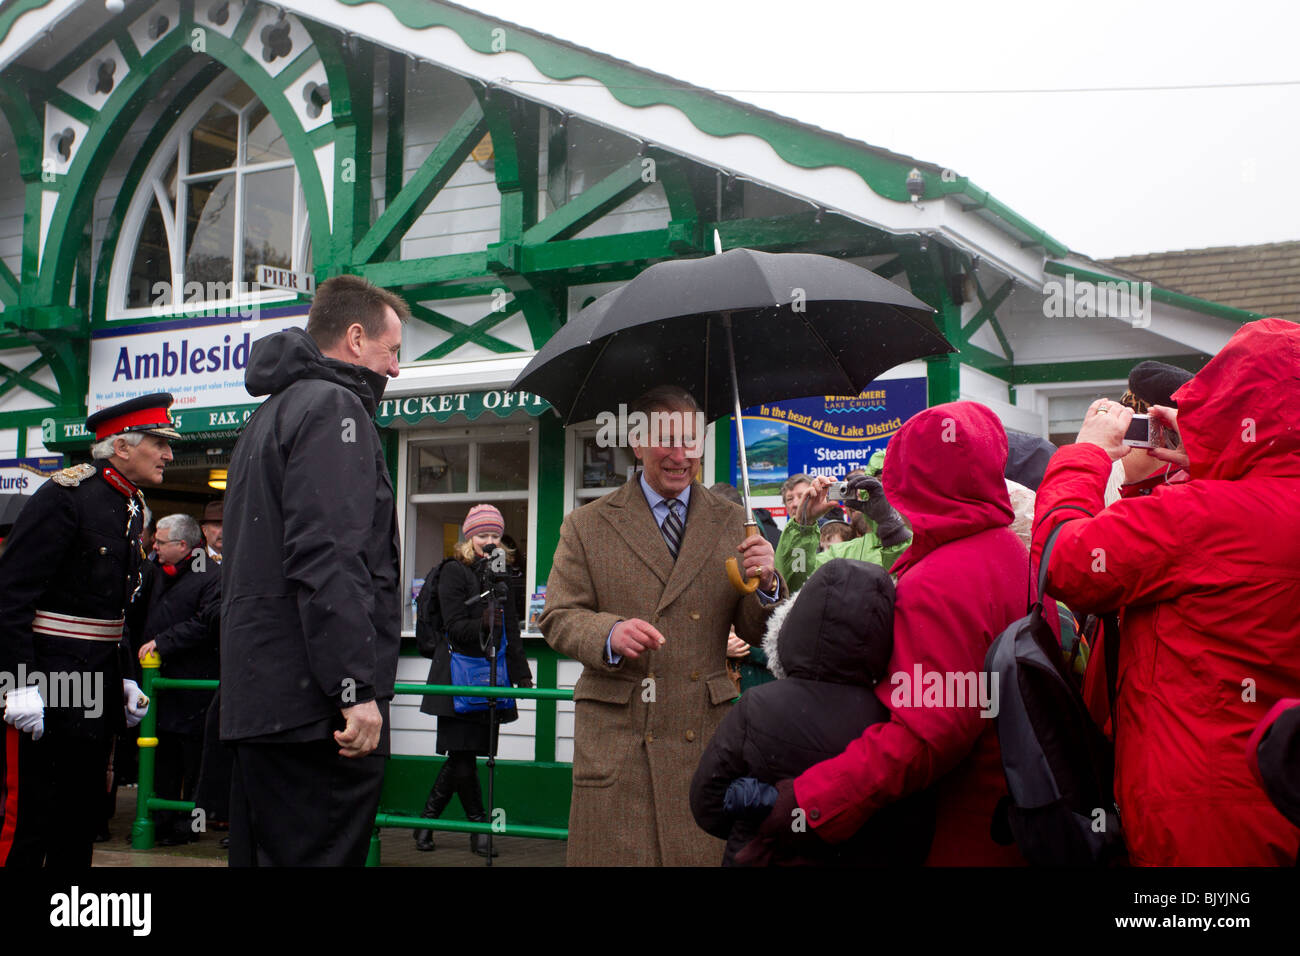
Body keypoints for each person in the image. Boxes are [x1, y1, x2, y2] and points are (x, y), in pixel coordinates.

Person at [1033, 317, 1300, 866]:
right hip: (1277, 794)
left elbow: (1064, 562)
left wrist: (1083, 456)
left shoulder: (1201, 516)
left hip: (1204, 817)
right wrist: (1214, 453)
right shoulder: (1239, 506)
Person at [741, 401, 1047, 865]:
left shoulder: (941, 579)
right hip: (1011, 806)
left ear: (911, 478)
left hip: (952, 824)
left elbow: (925, 736)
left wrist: (807, 801)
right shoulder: (1005, 547)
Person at [539, 385, 784, 866]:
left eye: (690, 441)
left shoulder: (736, 522)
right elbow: (558, 617)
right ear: (636, 442)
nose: (680, 455)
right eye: (666, 441)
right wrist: (608, 634)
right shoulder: (586, 524)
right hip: (621, 740)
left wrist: (769, 582)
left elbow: (758, 633)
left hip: (701, 734)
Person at [221, 274, 407, 867]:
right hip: (315, 713)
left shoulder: (270, 413)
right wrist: (355, 689)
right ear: (356, 339)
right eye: (392, 351)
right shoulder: (334, 407)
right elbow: (328, 558)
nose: (396, 369)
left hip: (266, 702)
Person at [0, 394, 176, 866]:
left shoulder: (132, 505)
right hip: (44, 682)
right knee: (30, 819)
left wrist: (119, 678)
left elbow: (108, 608)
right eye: (159, 442)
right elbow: (11, 597)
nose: (168, 454)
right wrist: (17, 685)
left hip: (93, 686)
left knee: (79, 822)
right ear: (121, 447)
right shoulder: (64, 496)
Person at [692, 558, 935, 866]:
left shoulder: (757, 707)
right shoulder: (898, 722)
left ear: (797, 618)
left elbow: (708, 804)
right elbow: (915, 824)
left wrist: (759, 822)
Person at [414, 505, 533, 856]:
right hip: (455, 675)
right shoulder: (454, 572)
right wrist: (482, 621)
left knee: (463, 756)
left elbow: (510, 630)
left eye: (496, 535)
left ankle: (426, 824)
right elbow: (453, 628)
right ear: (469, 538)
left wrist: (522, 674)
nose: (490, 542)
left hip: (489, 676)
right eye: (483, 535)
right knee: (462, 757)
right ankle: (479, 829)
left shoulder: (501, 577)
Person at [135, 513, 220, 845]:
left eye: (161, 542)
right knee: (163, 759)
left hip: (194, 686)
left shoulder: (211, 576)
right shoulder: (154, 573)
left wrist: (163, 642)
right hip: (159, 688)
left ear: (183, 545)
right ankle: (161, 821)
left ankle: (192, 826)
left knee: (194, 762)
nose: (153, 546)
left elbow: (205, 623)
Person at [774, 454, 912, 592]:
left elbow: (908, 585)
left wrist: (892, 529)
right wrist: (802, 526)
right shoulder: (840, 554)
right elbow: (796, 589)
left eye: (883, 483)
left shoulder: (923, 544)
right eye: (850, 489)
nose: (859, 494)